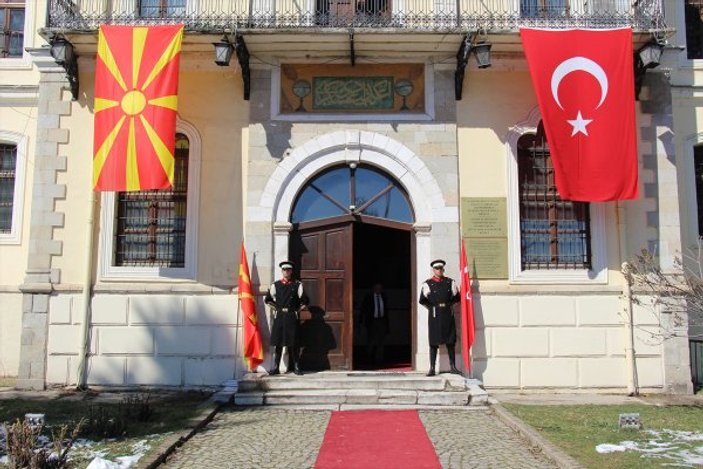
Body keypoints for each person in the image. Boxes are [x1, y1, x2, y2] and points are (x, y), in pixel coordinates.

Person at [265, 261, 309, 375]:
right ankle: (275, 367)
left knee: (294, 343)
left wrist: (296, 311)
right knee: (278, 343)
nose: (286, 271)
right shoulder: (275, 285)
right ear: (282, 271)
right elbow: (268, 300)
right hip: (279, 316)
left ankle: (296, 367)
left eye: (288, 270)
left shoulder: (297, 285)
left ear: (291, 271)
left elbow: (304, 301)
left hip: (291, 317)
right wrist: (277, 308)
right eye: (284, 270)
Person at [419, 259, 461, 376]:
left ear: (443, 269)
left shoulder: (449, 282)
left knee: (450, 341)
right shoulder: (427, 284)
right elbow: (422, 300)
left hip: (447, 313)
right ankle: (432, 368)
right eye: (437, 268)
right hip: (435, 314)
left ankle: (453, 366)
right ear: (433, 270)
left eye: (441, 268)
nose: (439, 270)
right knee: (433, 341)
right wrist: (432, 307)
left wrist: (449, 306)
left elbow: (457, 297)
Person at [361, 282, 390, 365]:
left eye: (380, 288)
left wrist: (387, 324)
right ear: (373, 289)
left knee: (381, 341)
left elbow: (386, 310)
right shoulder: (368, 297)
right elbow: (363, 310)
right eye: (377, 288)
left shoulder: (383, 297)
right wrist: (362, 322)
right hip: (372, 321)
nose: (379, 290)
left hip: (382, 321)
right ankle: (368, 359)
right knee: (371, 341)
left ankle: (379, 360)